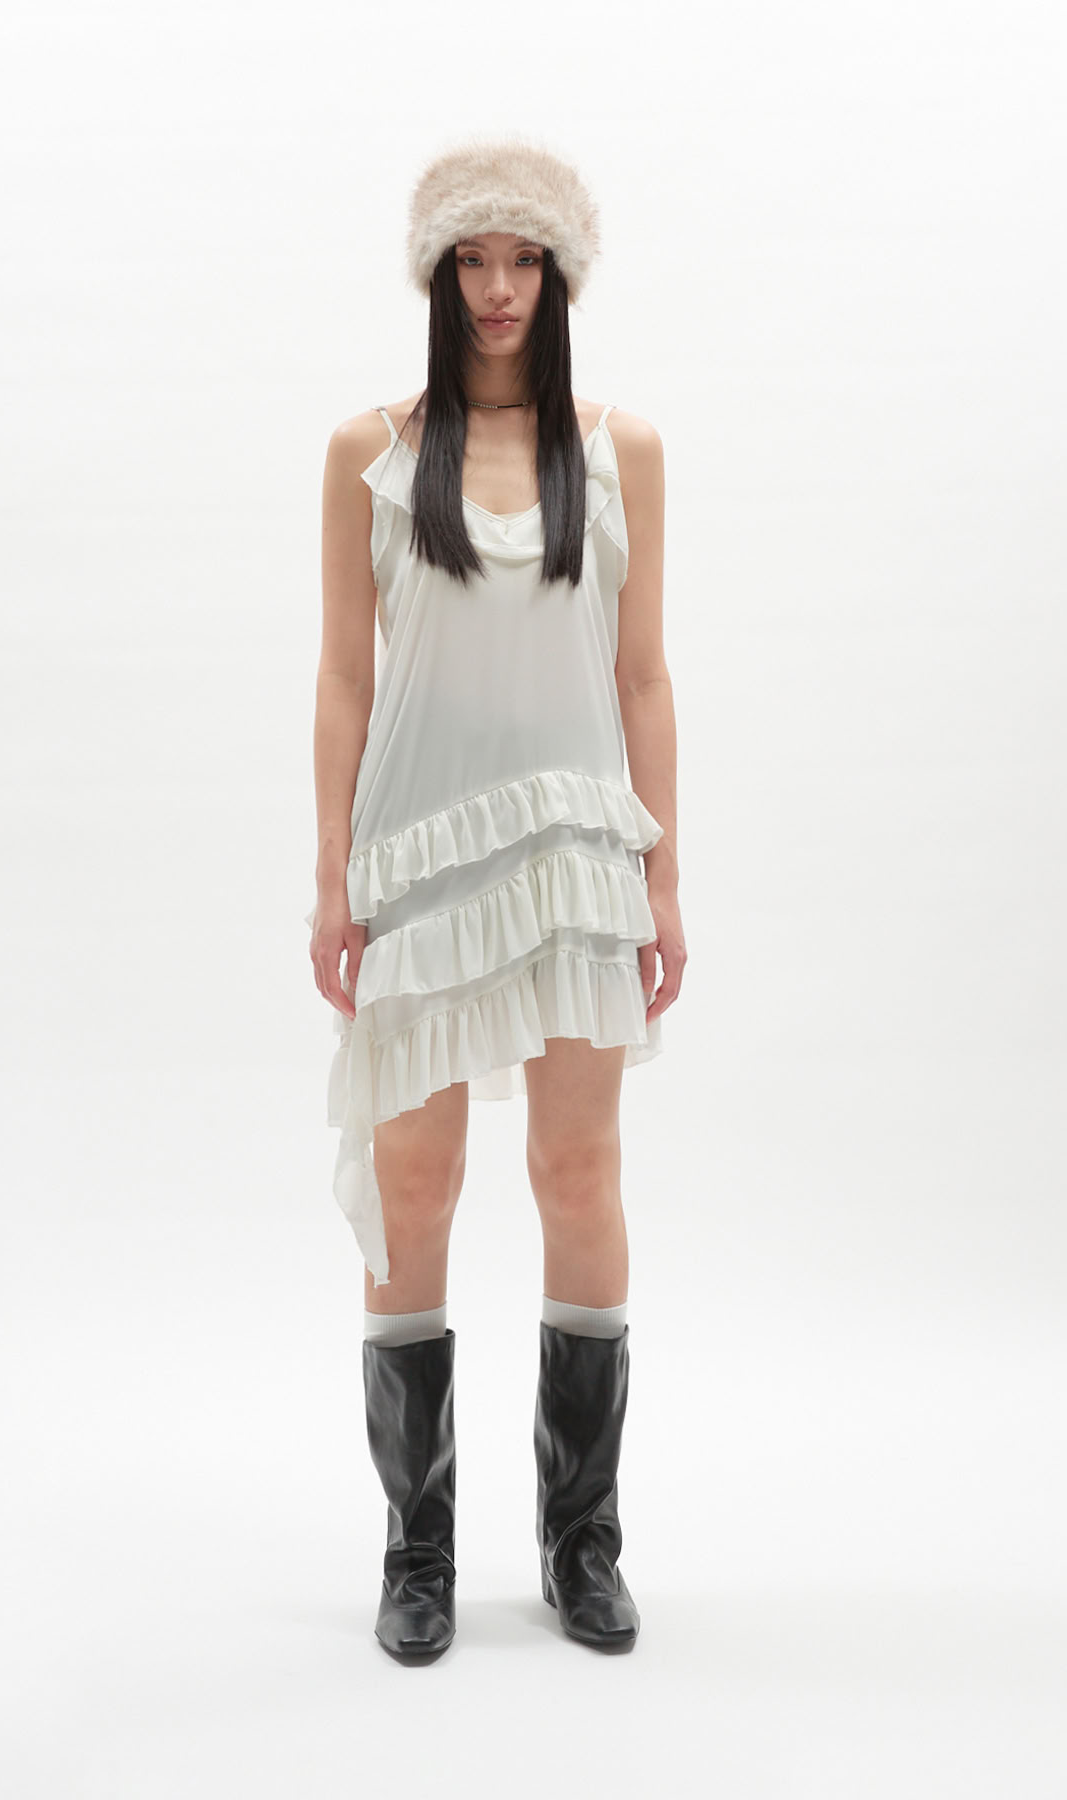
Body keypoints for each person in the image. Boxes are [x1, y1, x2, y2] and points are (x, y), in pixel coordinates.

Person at [306, 136, 684, 1660]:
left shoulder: (622, 449)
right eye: (474, 258)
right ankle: (419, 1550)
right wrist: (331, 873)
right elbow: (345, 677)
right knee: (416, 1184)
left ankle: (583, 1545)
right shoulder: (373, 451)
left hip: (577, 851)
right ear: (439, 274)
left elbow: (643, 675)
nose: (500, 287)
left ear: (560, 273)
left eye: (525, 259)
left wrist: (665, 873)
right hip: (422, 853)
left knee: (578, 1175)